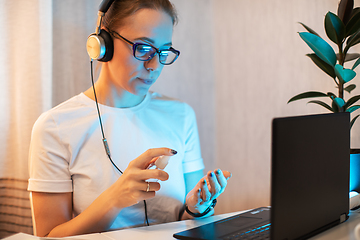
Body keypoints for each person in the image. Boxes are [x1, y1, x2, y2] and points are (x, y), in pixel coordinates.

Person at [28, 0, 231, 237]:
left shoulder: (181, 115)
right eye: (143, 48)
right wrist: (116, 198)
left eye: (163, 52)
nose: (154, 65)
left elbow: (191, 227)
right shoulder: (55, 127)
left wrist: (196, 210)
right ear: (103, 45)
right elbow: (48, 236)